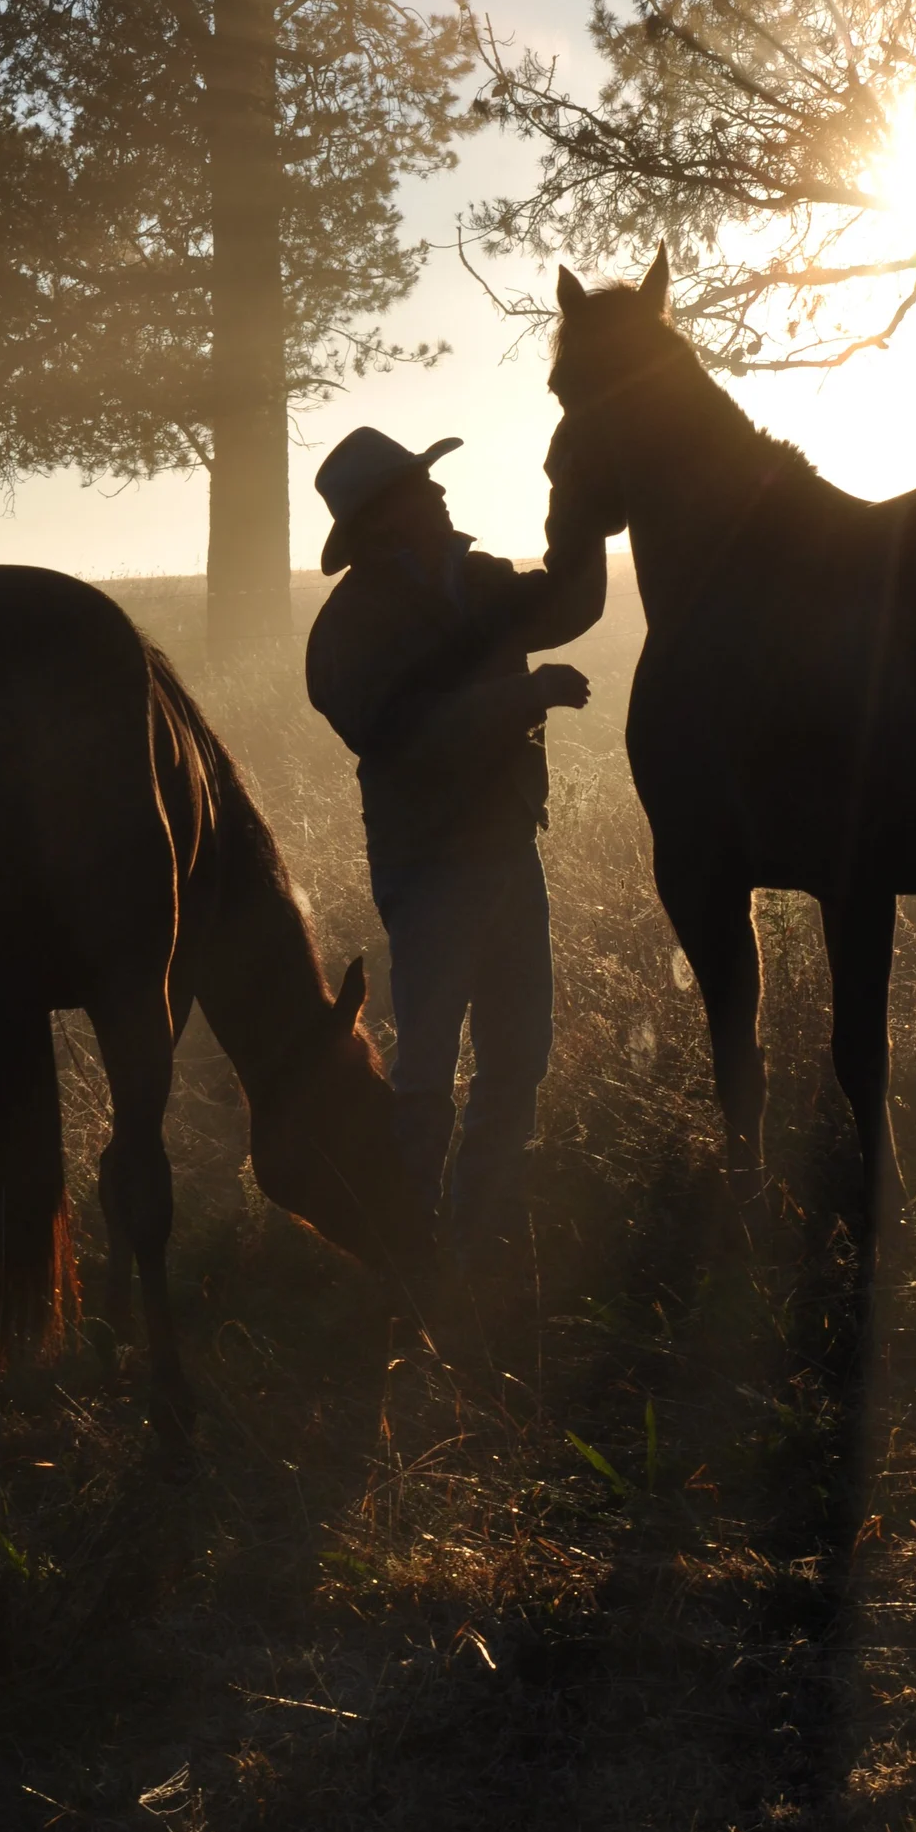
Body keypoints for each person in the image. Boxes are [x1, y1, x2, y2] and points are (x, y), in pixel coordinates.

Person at [305, 424, 606, 1264]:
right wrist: (524, 693)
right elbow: (397, 732)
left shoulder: (476, 580)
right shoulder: (351, 628)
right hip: (429, 864)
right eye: (421, 486)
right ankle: (411, 1241)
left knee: (518, 1057)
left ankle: (472, 1238)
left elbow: (569, 603)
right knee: (429, 1067)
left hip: (508, 846)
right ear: (387, 517)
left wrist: (582, 507)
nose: (440, 493)